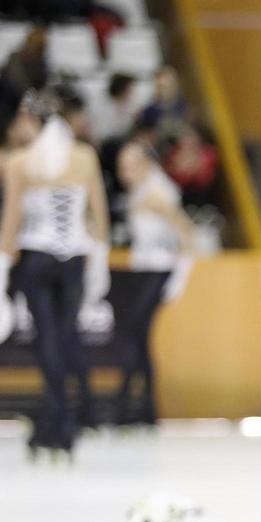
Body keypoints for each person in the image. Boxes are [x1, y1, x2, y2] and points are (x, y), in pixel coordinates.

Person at [0, 89, 109, 457]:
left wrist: (2, 268)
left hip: (37, 257)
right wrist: (99, 261)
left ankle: (57, 422)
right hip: (74, 259)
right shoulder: (84, 157)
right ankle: (60, 424)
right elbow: (98, 215)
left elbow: (11, 223)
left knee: (48, 339)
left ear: (32, 120)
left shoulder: (20, 162)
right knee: (64, 338)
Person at [113, 140, 194, 427]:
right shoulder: (141, 191)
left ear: (146, 163)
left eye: (129, 165)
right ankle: (142, 408)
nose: (123, 172)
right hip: (144, 268)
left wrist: (180, 276)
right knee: (138, 338)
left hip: (159, 271)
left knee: (135, 335)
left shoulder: (158, 193)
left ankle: (128, 403)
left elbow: (186, 234)